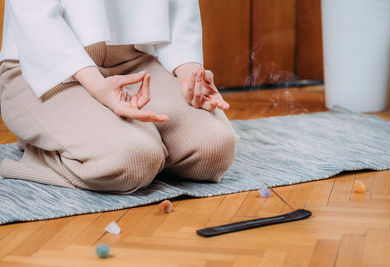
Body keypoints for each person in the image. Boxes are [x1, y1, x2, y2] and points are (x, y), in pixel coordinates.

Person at [0, 0, 238, 194]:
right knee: (133, 161)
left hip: (131, 62)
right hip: (46, 67)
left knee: (214, 149)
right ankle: (45, 146)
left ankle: (107, 142)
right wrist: (97, 85)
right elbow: (35, 19)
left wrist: (188, 72)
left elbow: (178, 8)